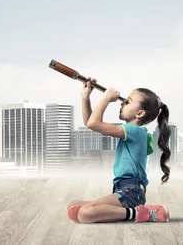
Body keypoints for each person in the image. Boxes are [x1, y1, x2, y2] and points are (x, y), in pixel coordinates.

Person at [66, 76, 171, 223]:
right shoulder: (131, 131)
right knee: (74, 206)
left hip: (132, 191)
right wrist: (86, 97)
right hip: (123, 189)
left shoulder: (136, 131)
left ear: (140, 113)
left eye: (127, 102)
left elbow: (93, 123)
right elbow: (90, 122)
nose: (122, 103)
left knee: (85, 213)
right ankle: (130, 212)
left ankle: (144, 214)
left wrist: (106, 99)